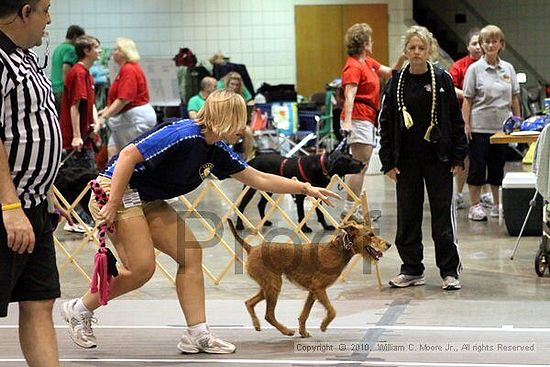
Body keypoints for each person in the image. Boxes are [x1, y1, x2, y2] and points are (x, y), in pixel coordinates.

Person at [61, 89, 340, 353]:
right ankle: (79, 309)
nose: (243, 128)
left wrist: (305, 188)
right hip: (117, 190)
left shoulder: (218, 150)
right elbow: (127, 156)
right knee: (142, 268)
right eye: (240, 120)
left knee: (190, 254)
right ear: (227, 118)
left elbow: (259, 178)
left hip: (147, 197)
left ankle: (197, 334)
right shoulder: (182, 134)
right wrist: (111, 204)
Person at [379, 25, 468, 290]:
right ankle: (412, 269)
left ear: (429, 50)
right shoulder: (396, 82)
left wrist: (457, 156)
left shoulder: (442, 79)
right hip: (405, 160)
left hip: (438, 158)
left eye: (421, 48)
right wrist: (388, 161)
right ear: (405, 51)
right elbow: (385, 123)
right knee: (407, 215)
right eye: (412, 48)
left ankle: (449, 271)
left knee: (442, 216)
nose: (416, 52)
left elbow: (455, 119)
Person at [0, 1, 64, 365]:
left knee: (40, 300)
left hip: (35, 205)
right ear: (25, 12)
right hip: (9, 209)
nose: (49, 19)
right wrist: (10, 206)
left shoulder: (25, 58)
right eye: (45, 9)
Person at [340, 23, 406, 223]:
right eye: (370, 39)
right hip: (359, 116)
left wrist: (403, 58)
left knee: (363, 166)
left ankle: (353, 209)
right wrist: (348, 122)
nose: (373, 43)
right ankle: (349, 210)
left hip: (368, 117)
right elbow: (349, 95)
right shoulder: (353, 65)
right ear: (364, 43)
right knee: (358, 166)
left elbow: (390, 73)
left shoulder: (368, 62)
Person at [462, 25, 521, 221]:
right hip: (479, 127)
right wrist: (466, 125)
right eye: (486, 41)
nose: (490, 44)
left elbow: (514, 97)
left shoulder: (509, 69)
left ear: (501, 44)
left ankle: (497, 204)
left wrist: (517, 120)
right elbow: (467, 99)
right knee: (477, 167)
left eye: (494, 41)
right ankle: (475, 206)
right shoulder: (474, 69)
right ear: (481, 45)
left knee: (497, 166)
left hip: (502, 129)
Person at [58, 35, 101, 233]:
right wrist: (76, 135)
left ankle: (86, 218)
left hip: (86, 137)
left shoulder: (86, 73)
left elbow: (88, 103)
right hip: (76, 140)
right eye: (96, 47)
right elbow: (74, 105)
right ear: (86, 51)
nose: (99, 51)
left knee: (89, 176)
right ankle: (75, 219)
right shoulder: (77, 73)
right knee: (78, 180)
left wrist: (95, 122)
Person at [449, 29, 492, 210]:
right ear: (468, 46)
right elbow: (450, 87)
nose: (477, 47)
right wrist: (469, 95)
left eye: (479, 43)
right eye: (473, 43)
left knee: (485, 156)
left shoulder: (490, 65)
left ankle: (486, 193)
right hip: (463, 118)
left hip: (485, 119)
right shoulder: (459, 66)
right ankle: (458, 193)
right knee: (464, 157)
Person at [96, 37, 156, 158]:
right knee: (113, 152)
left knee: (130, 157)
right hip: (129, 119)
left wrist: (104, 117)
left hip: (135, 119)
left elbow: (124, 99)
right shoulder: (127, 69)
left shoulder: (129, 69)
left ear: (125, 52)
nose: (113, 52)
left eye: (116, 49)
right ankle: (111, 176)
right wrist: (105, 110)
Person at [50, 24, 85, 111]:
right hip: (63, 89)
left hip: (54, 88)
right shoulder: (71, 49)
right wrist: (69, 91)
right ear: (75, 36)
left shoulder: (58, 48)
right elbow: (66, 71)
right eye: (80, 39)